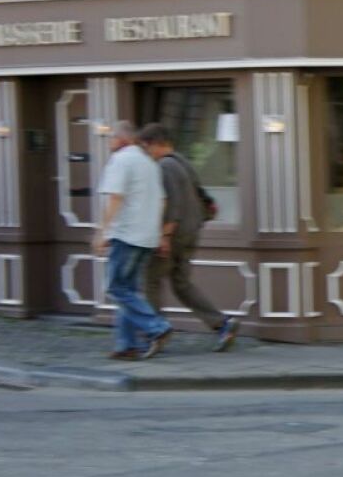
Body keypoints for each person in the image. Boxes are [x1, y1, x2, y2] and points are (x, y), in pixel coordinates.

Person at [137, 123, 239, 352]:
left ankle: (155, 331)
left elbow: (171, 204)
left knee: (149, 280)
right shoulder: (183, 162)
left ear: (156, 144)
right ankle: (222, 323)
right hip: (191, 232)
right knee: (181, 284)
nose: (145, 152)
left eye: (145, 147)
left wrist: (164, 236)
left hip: (174, 236)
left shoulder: (164, 166)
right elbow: (202, 197)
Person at [92, 121, 173, 360]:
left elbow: (116, 197)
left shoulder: (122, 160)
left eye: (111, 138)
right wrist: (158, 233)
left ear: (122, 139)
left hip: (127, 235)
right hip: (146, 237)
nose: (109, 143)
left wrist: (103, 231)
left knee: (116, 288)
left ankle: (157, 327)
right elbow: (162, 201)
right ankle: (126, 345)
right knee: (129, 291)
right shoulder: (150, 164)